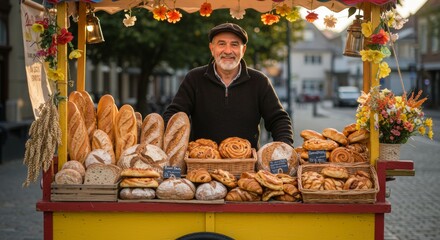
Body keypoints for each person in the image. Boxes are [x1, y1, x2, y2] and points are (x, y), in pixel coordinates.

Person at [163, 23, 293, 149]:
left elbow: (278, 120)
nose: (228, 51)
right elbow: (174, 115)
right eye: (221, 44)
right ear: (212, 48)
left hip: (247, 164)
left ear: (243, 50)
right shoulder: (194, 78)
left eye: (234, 45)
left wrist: (285, 148)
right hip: (201, 162)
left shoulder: (259, 81)